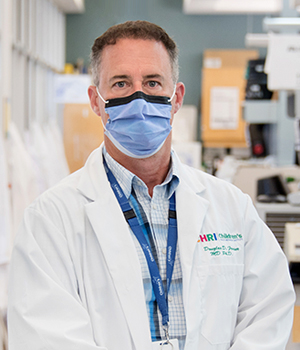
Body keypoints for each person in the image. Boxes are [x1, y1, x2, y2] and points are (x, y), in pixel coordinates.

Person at [7, 20, 295, 350]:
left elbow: (268, 310)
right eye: (120, 84)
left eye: (153, 82)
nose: (139, 98)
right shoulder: (50, 220)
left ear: (176, 98)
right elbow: (45, 336)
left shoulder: (232, 208)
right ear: (95, 100)